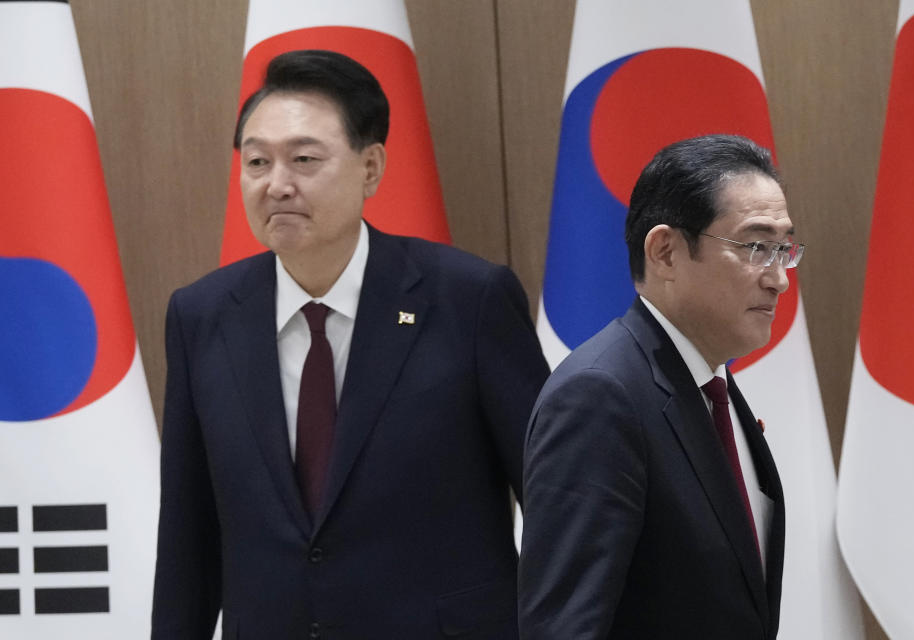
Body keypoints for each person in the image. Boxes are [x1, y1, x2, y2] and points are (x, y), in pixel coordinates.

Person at [151, 49, 549, 639]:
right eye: (257, 162)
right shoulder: (202, 314)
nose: (277, 185)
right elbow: (188, 530)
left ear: (371, 168)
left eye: (304, 159)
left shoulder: (468, 299)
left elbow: (553, 495)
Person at [519, 135, 799, 639]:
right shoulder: (599, 397)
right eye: (757, 247)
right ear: (666, 251)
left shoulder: (711, 382)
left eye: (783, 249)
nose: (778, 278)